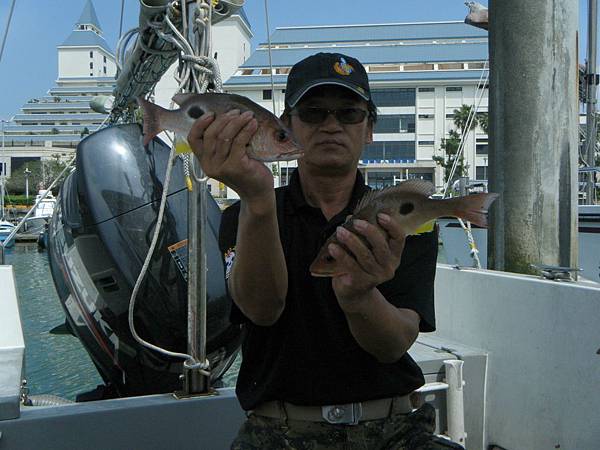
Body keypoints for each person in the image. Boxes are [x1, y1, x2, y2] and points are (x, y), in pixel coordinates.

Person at [189, 52, 463, 450]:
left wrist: (358, 295)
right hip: (278, 433)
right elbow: (262, 310)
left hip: (395, 428)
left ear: (369, 129)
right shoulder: (246, 212)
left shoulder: (404, 217)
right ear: (288, 124)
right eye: (314, 113)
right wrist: (257, 199)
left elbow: (393, 345)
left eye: (349, 114)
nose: (331, 125)